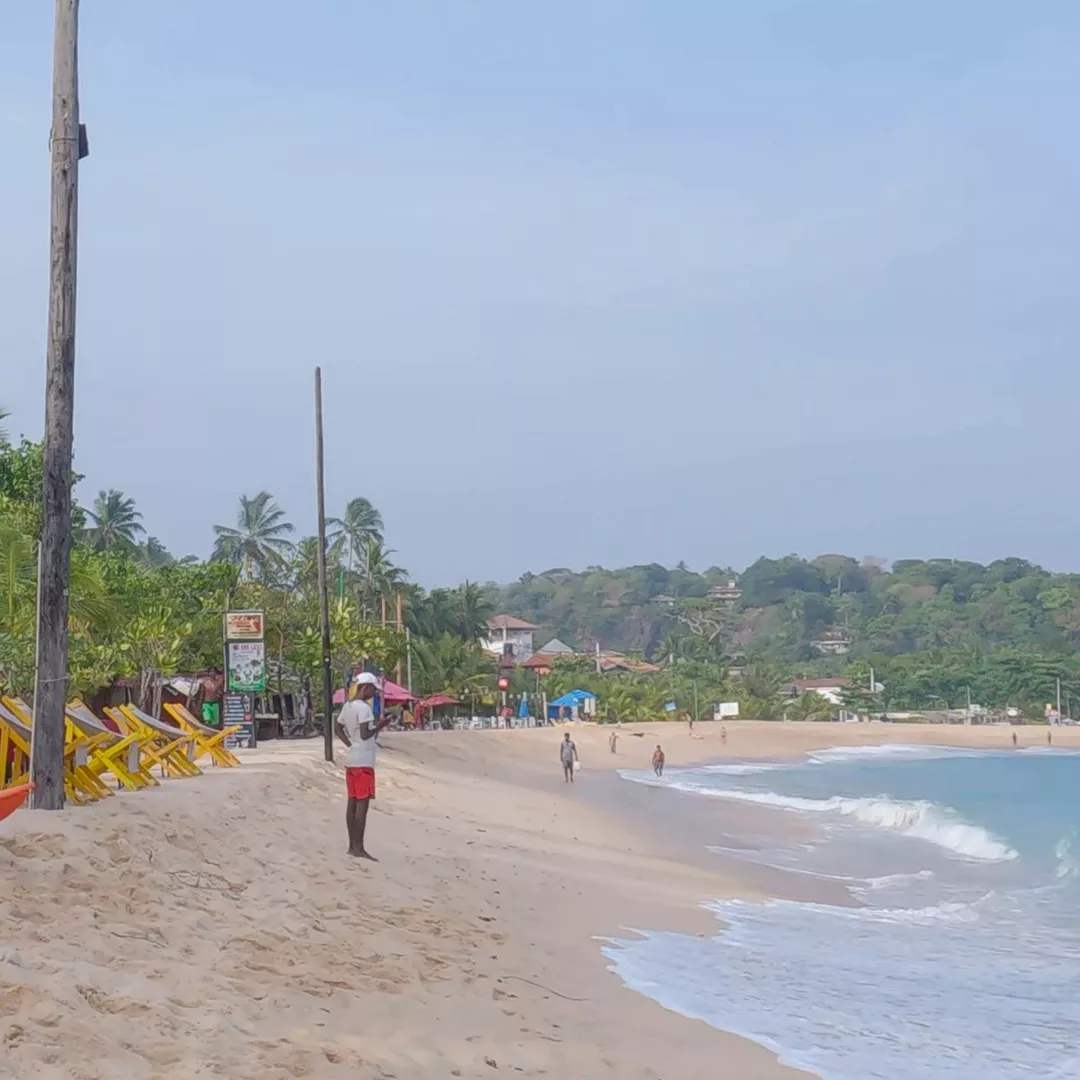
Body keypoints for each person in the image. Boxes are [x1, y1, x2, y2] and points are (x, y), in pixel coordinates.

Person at [335, 672, 391, 861]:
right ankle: (358, 847)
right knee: (362, 805)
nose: (374, 693)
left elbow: (337, 728)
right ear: (365, 688)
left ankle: (352, 845)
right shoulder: (364, 709)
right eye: (373, 690)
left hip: (352, 759)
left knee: (352, 802)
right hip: (364, 760)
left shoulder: (348, 706)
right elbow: (367, 734)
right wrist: (381, 725)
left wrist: (350, 743)